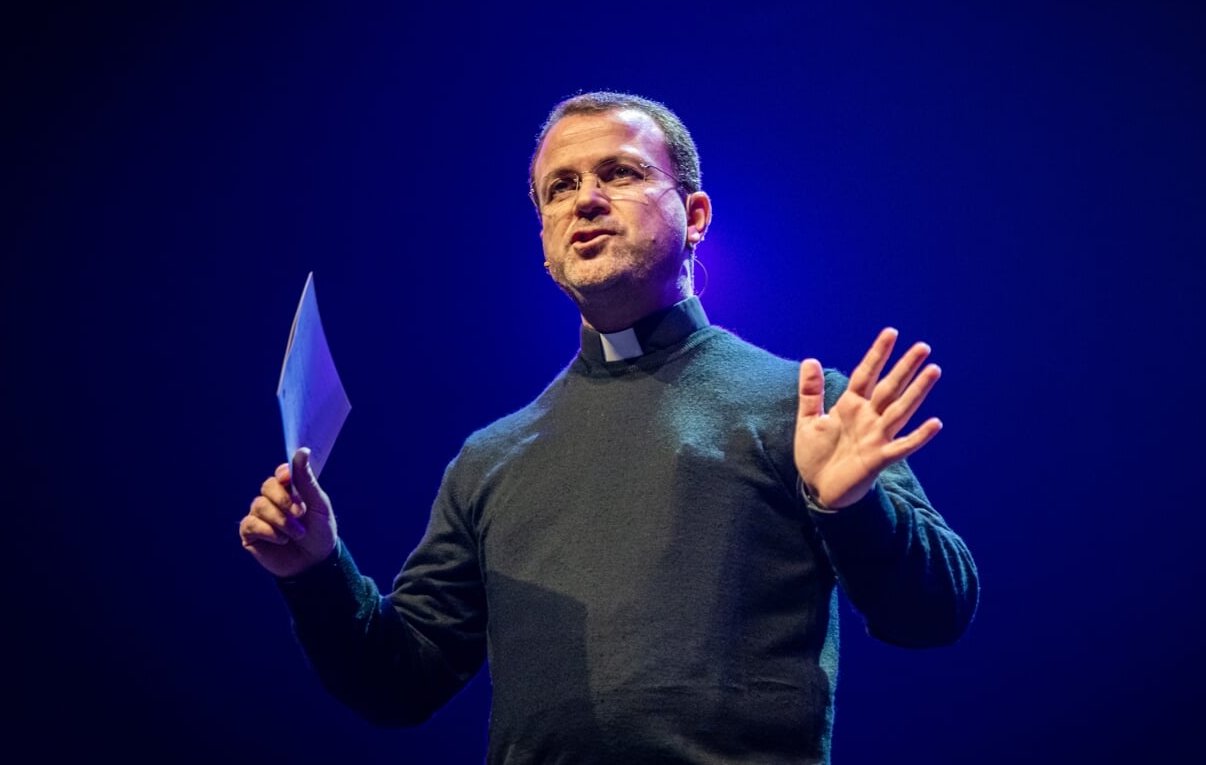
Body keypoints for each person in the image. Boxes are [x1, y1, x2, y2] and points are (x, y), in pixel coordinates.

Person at [239, 92, 979, 764]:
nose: (584, 200)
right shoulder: (491, 458)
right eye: (558, 188)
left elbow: (935, 611)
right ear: (543, 241)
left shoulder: (804, 406)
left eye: (618, 174)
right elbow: (399, 683)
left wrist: (853, 508)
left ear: (694, 217)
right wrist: (315, 571)